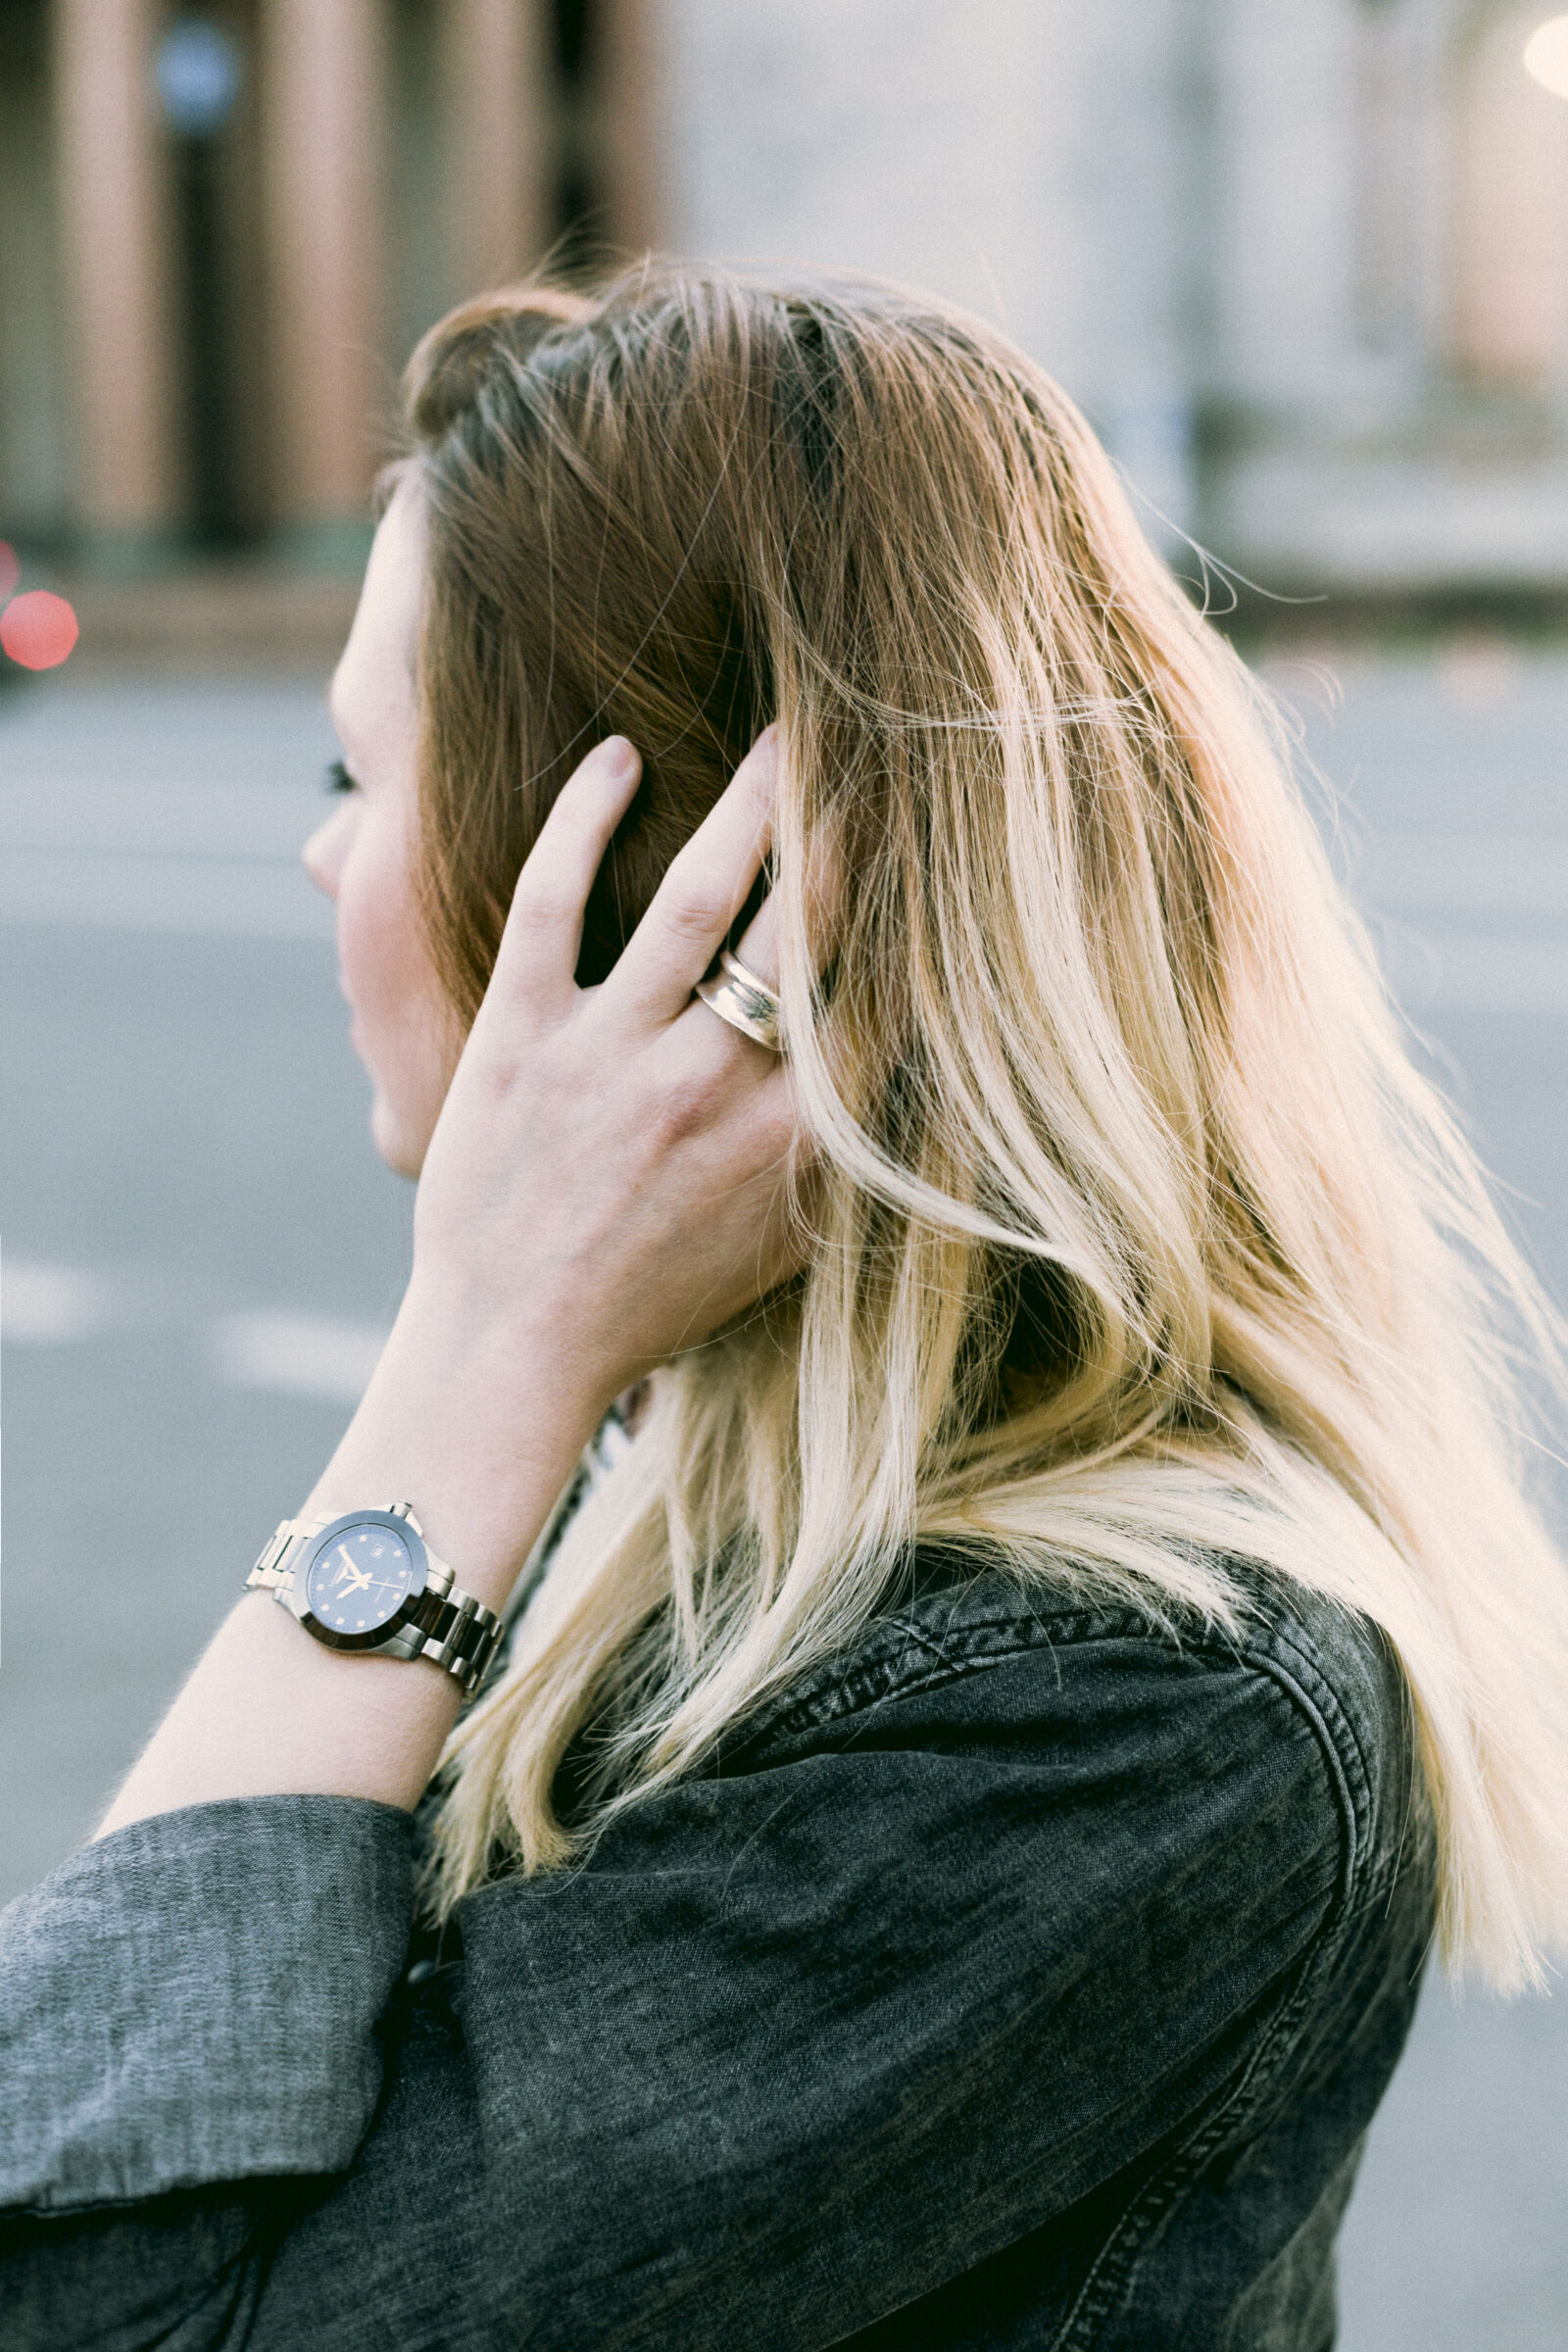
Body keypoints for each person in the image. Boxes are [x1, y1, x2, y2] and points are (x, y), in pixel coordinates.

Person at [4, 265, 1567, 2351]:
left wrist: (476, 1355)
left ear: (663, 897)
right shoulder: (687, 1468)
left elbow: (87, 2302)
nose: (319, 861)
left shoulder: (1114, 1718)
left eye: (361, 776)